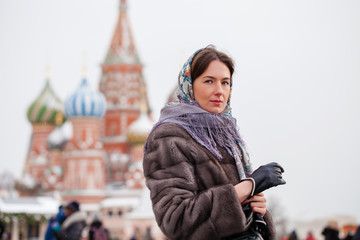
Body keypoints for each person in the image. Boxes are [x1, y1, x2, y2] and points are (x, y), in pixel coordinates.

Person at [143, 45, 286, 240]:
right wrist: (244, 189)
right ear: (190, 85)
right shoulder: (169, 137)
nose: (219, 91)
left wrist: (256, 208)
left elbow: (236, 205)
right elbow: (175, 220)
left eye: (225, 82)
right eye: (209, 81)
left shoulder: (226, 135)